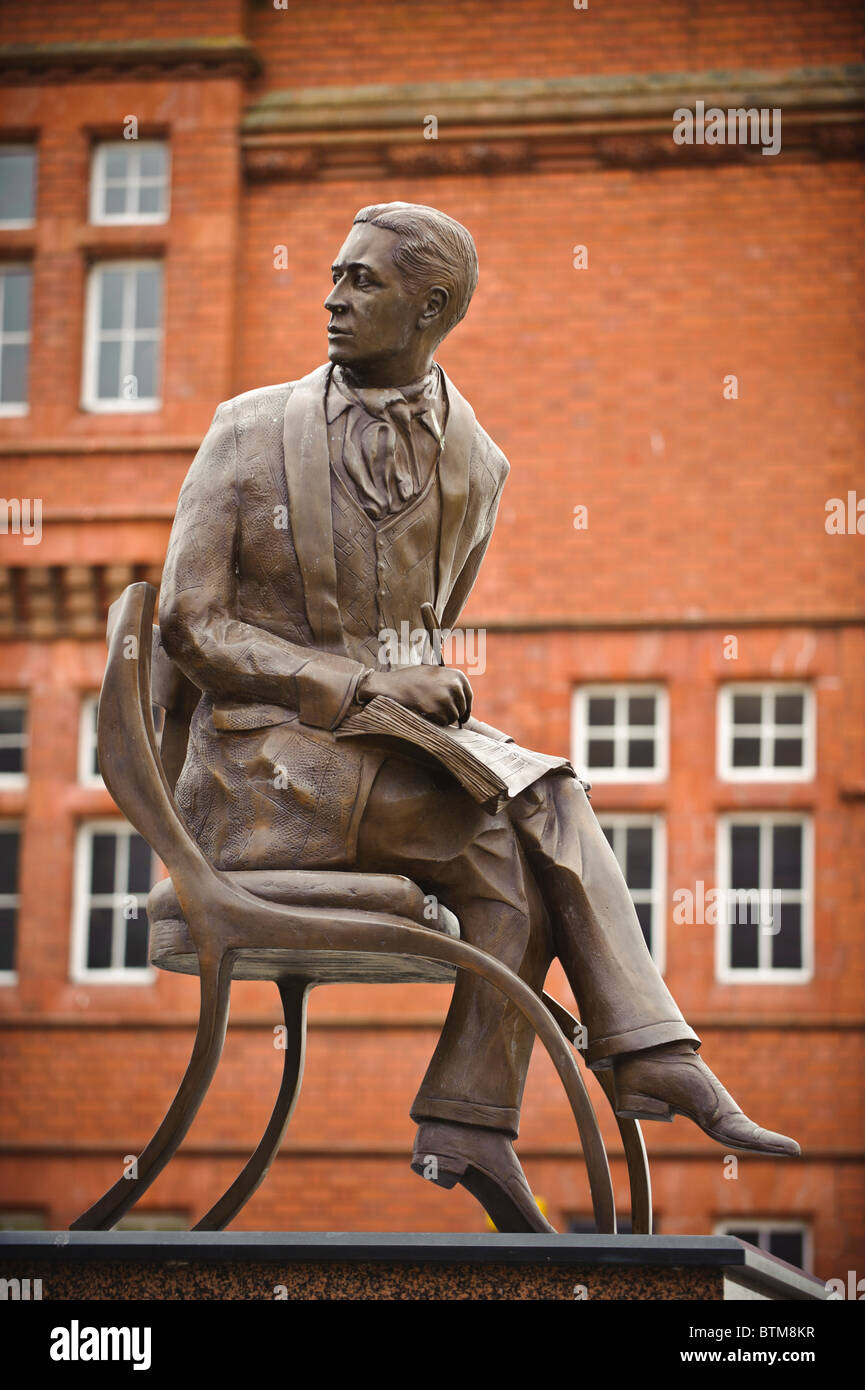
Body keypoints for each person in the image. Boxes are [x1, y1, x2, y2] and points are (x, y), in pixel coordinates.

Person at [159, 201, 799, 1233]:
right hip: (260, 771)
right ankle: (648, 1054)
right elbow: (187, 625)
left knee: (511, 871)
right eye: (333, 274)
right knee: (542, 803)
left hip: (375, 765)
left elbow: (413, 629)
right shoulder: (245, 431)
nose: (331, 298)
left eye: (361, 281)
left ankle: (474, 1121)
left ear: (432, 306)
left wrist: (424, 681)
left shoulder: (478, 465)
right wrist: (363, 687)